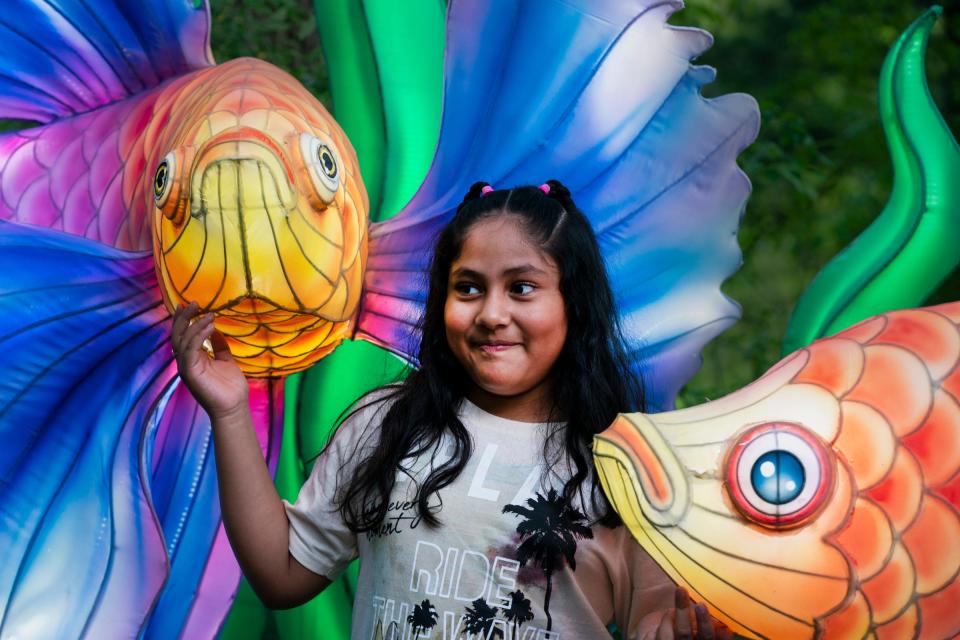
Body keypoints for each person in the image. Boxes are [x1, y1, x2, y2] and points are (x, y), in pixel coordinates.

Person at [172, 180, 731, 639]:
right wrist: (230, 412)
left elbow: (659, 615)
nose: (491, 313)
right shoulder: (385, 425)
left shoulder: (631, 466)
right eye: (468, 288)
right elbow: (282, 574)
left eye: (522, 288)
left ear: (573, 304)